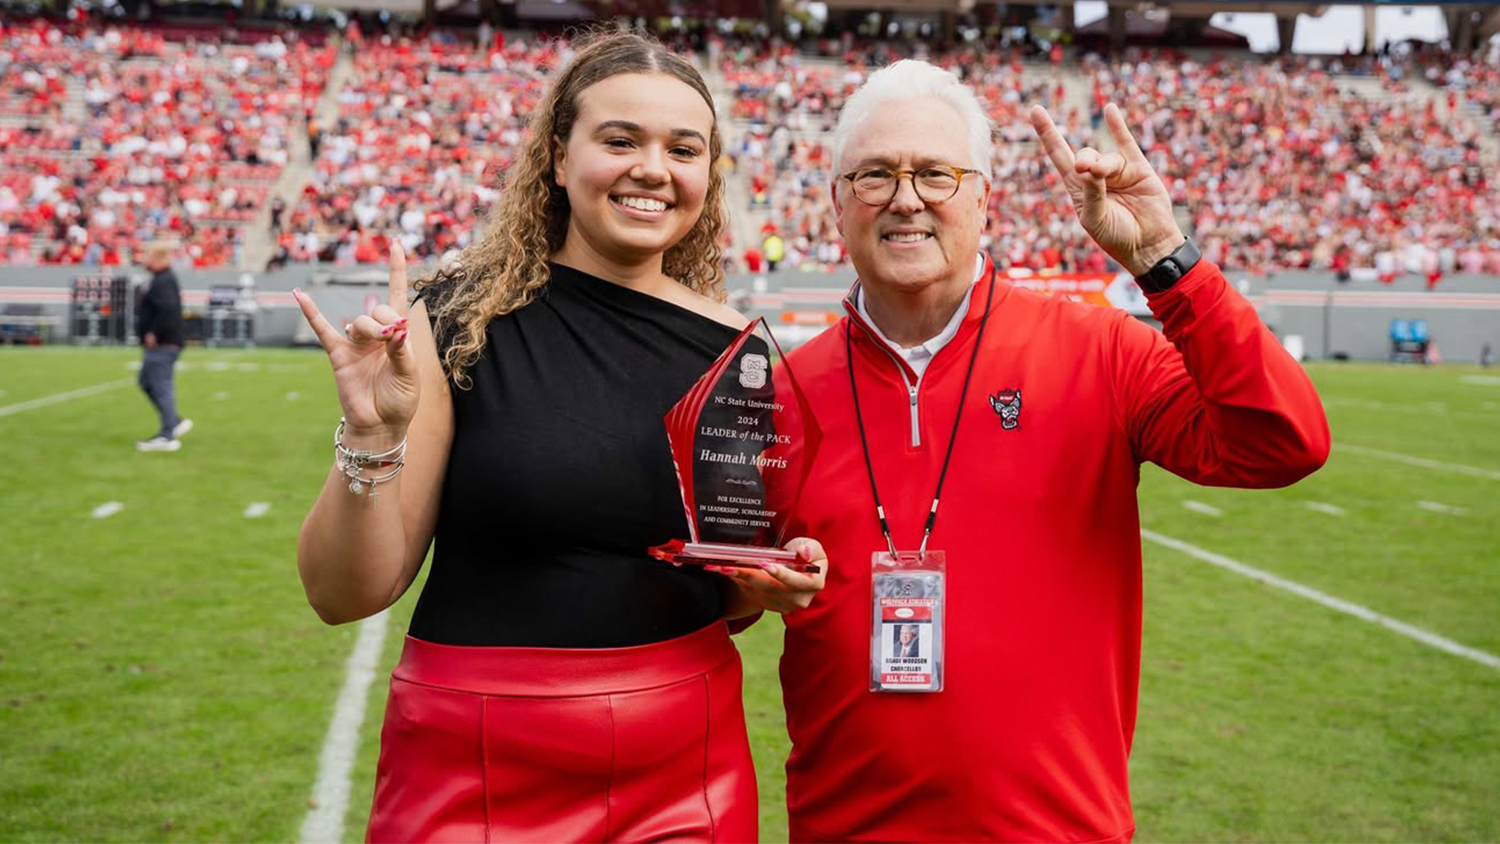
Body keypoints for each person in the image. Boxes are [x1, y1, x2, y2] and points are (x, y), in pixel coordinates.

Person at [290, 31, 826, 843]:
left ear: (706, 176)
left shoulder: (738, 353)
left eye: (684, 148)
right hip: (473, 758)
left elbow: (726, 598)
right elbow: (344, 595)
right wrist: (370, 433)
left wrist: (765, 582)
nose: (653, 167)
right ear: (556, 157)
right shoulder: (455, 322)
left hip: (683, 763)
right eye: (620, 140)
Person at [775, 60, 1330, 843]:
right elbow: (723, 602)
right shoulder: (782, 393)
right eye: (874, 175)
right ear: (836, 202)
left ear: (983, 198)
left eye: (935, 173)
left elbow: (1285, 442)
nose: (905, 198)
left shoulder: (1098, 350)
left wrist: (1165, 257)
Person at [134, 241, 191, 451]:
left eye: (147, 256)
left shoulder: (163, 280)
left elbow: (167, 309)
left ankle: (168, 435)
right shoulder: (160, 279)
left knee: (160, 385)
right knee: (146, 381)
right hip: (163, 342)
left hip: (164, 343)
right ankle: (173, 421)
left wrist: (154, 332)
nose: (143, 260)